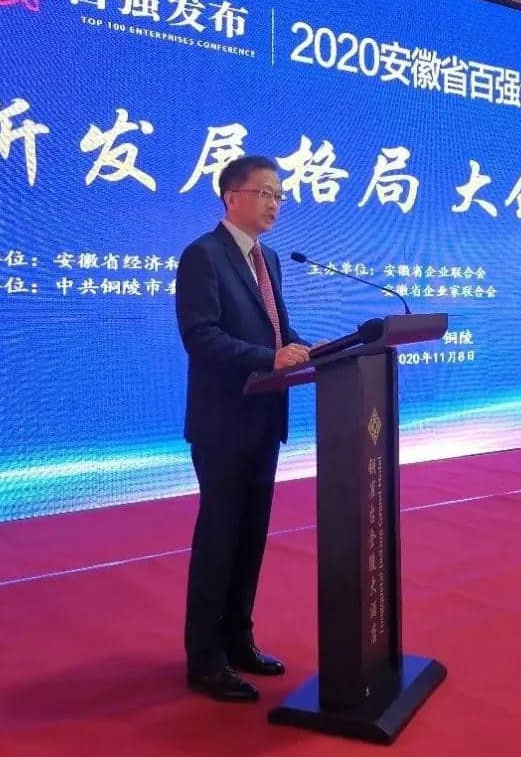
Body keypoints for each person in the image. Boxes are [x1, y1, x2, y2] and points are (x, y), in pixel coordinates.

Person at [175, 155, 311, 702]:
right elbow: (200, 336)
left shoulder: (268, 258)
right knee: (219, 540)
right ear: (233, 196)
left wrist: (314, 350)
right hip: (222, 423)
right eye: (266, 193)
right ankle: (205, 660)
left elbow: (278, 332)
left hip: (264, 419)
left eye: (280, 195)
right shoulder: (203, 255)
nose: (275, 203)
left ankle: (238, 640)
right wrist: (269, 357)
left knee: (251, 538)